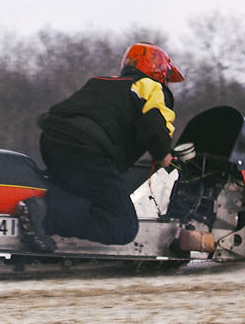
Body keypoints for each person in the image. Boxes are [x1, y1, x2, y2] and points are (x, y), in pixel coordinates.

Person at [18, 43, 184, 252]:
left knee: (82, 192)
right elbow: (155, 127)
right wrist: (163, 154)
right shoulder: (151, 87)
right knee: (123, 225)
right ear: (159, 71)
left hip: (52, 141)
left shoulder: (103, 82)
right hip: (87, 151)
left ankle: (37, 207)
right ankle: (45, 213)